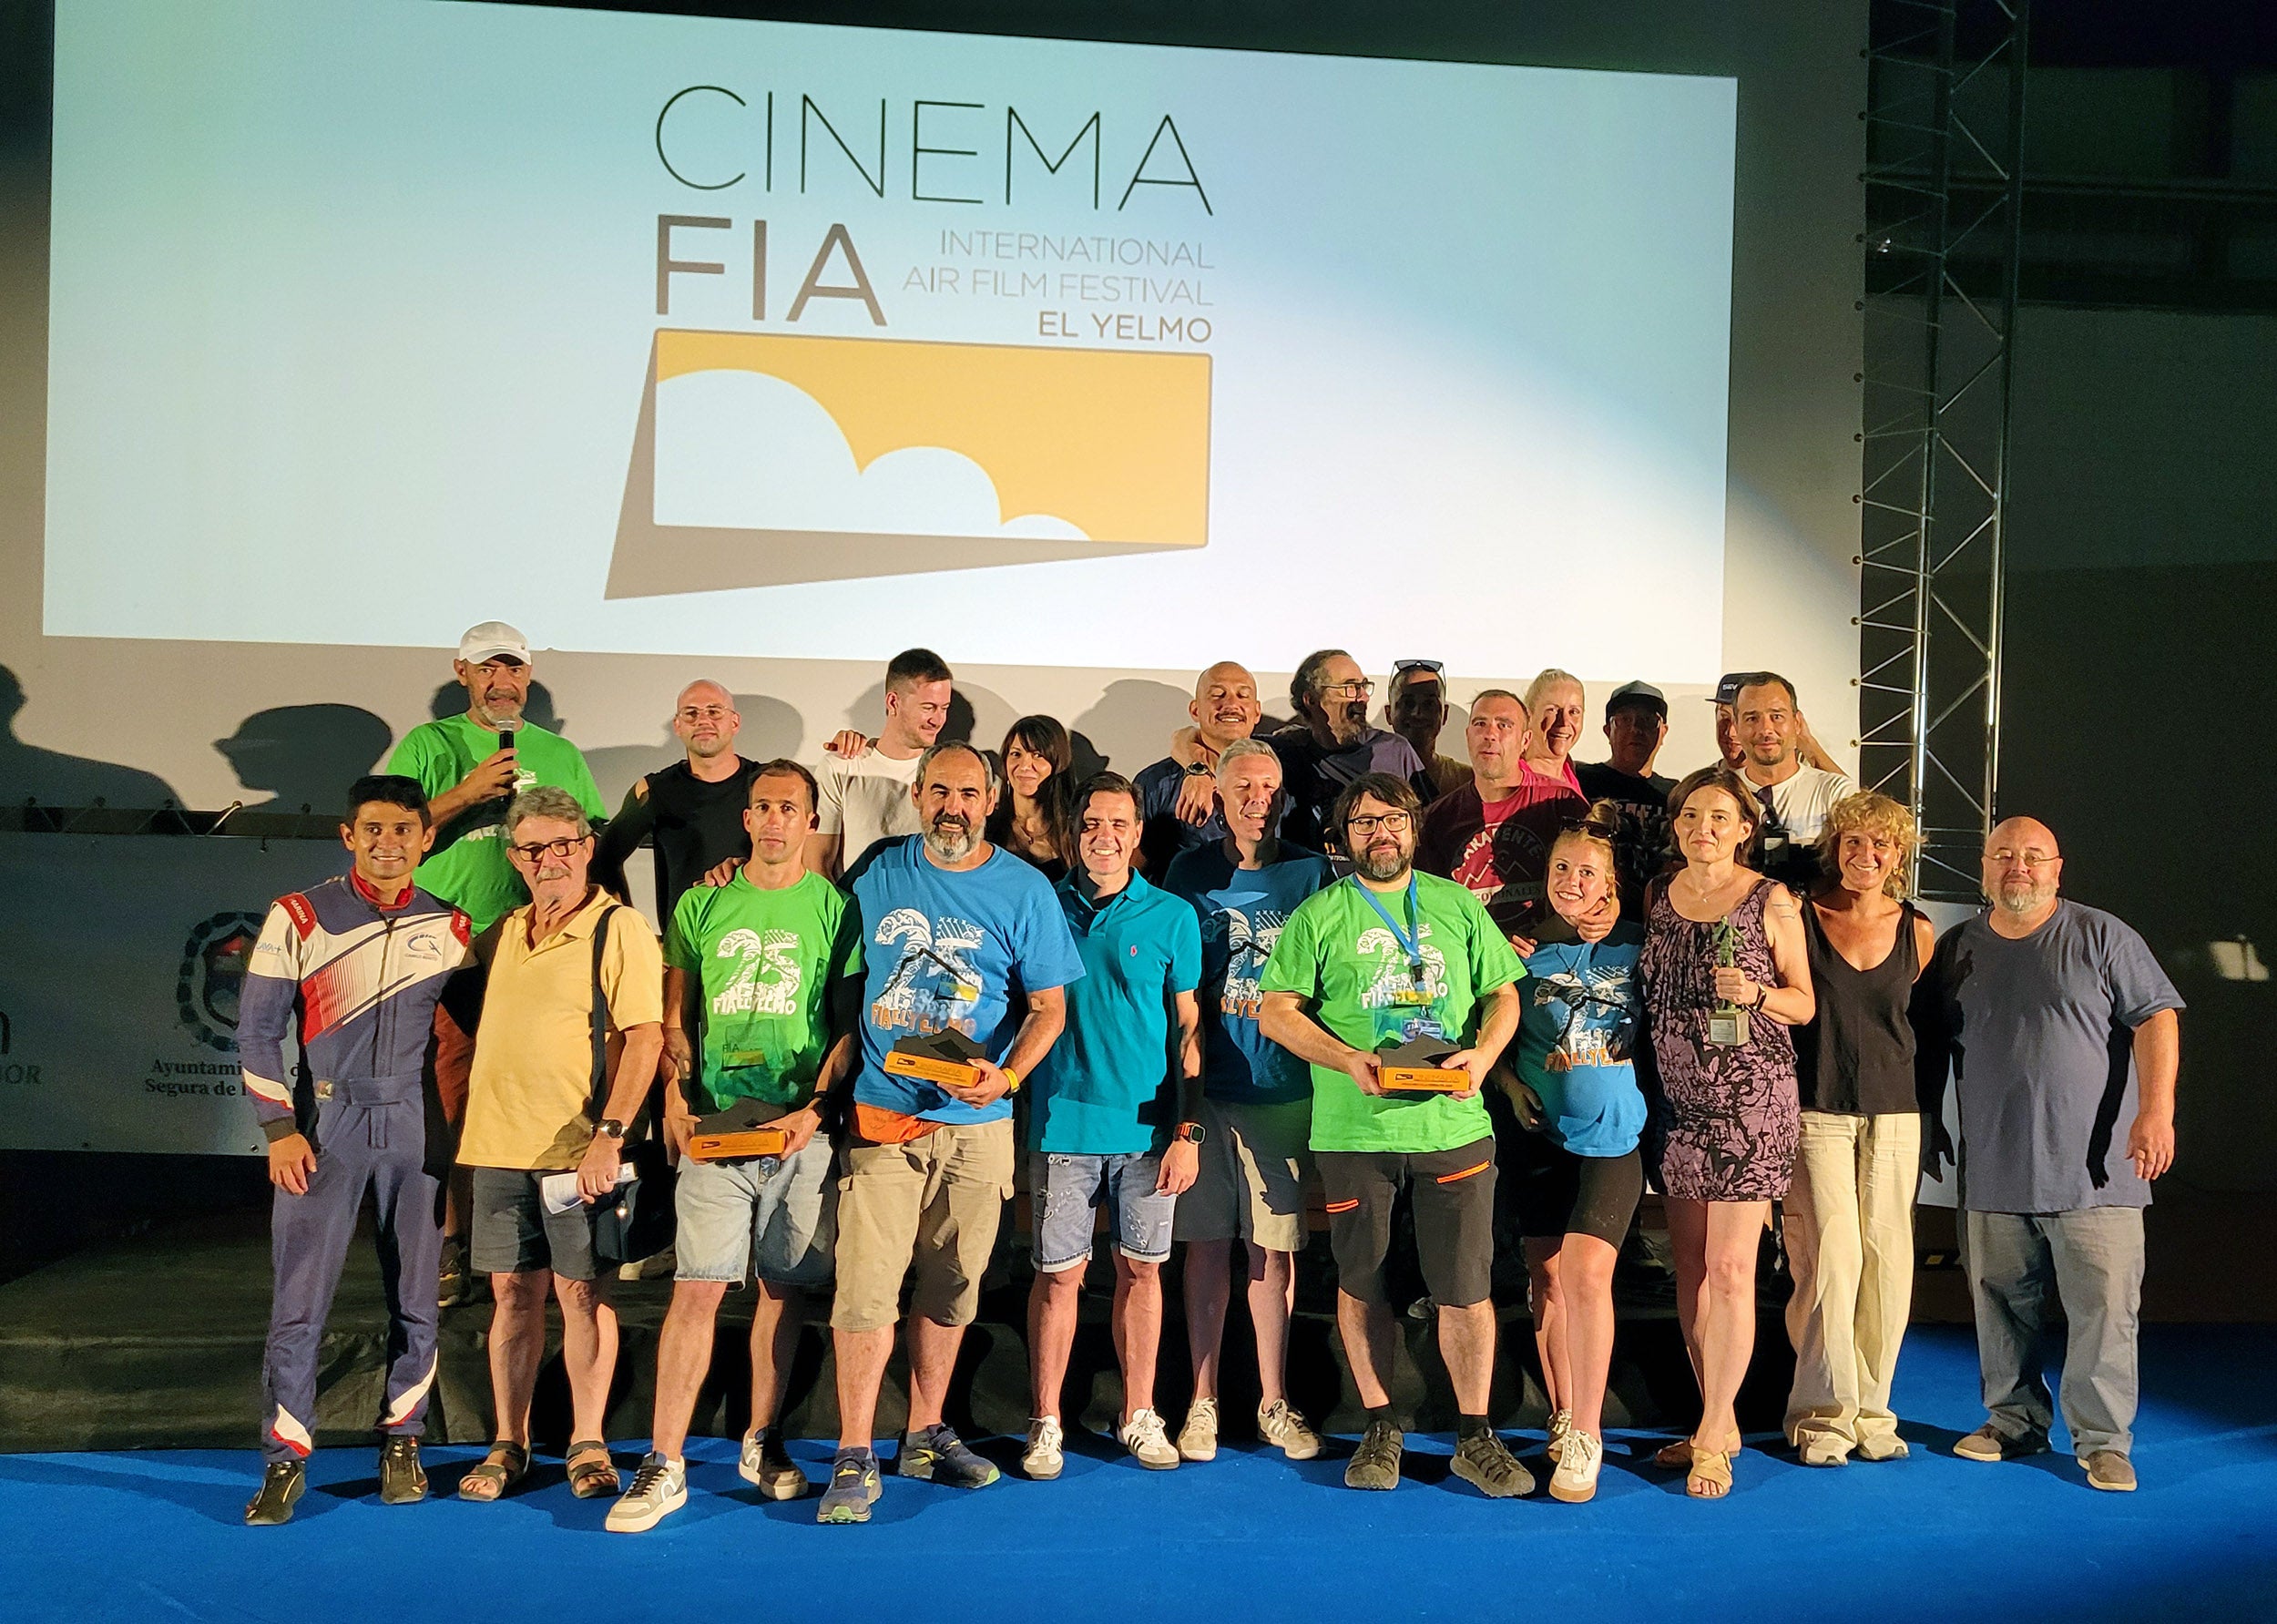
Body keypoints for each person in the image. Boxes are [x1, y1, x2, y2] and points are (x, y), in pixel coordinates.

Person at [820, 741, 1084, 1524]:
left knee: (952, 1285)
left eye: (969, 793)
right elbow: (835, 977)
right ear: (916, 793)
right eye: (939, 791)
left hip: (977, 1127)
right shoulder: (877, 871)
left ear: (992, 797)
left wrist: (1004, 1078)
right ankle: (854, 1449)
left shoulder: (1025, 889)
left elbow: (1048, 1009)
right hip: (882, 1120)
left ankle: (925, 1432)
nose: (953, 807)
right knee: (867, 1290)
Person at [606, 761, 863, 1533]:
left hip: (796, 1130)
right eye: (763, 806)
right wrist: (675, 1102)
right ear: (745, 818)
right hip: (716, 1128)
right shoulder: (700, 901)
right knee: (697, 1287)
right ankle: (666, 1463)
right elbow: (671, 1018)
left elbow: (846, 1027)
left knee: (783, 1288)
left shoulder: (835, 907)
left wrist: (815, 1114)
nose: (776, 819)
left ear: (809, 819)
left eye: (792, 807)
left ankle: (763, 1438)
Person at [1258, 772, 1531, 1497]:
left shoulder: (1455, 905)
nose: (1380, 832)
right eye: (1363, 822)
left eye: (1393, 819)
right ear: (1342, 838)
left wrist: (1486, 1054)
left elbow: (1504, 992)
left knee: (1466, 1289)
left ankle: (1475, 1435)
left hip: (1453, 1125)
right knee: (1362, 1282)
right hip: (1355, 1130)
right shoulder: (1320, 914)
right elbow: (1276, 1011)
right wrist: (1348, 1059)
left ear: (1414, 827)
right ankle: (1380, 1423)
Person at [1917, 816, 2182, 1493]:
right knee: (2000, 1304)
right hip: (1995, 1170)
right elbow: (1927, 1042)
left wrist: (2157, 1111)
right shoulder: (1956, 949)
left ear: (2057, 868)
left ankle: (2102, 1442)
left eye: (2033, 856)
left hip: (2096, 1174)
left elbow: (2157, 1017)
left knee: (2104, 1310)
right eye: (2004, 855)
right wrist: (1926, 1118)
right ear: (1984, 867)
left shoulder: (2102, 936)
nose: (2018, 867)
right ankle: (2013, 1421)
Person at [239, 776, 472, 1526]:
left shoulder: (453, 926)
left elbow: (480, 1035)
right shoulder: (298, 914)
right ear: (348, 836)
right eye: (372, 829)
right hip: (324, 1125)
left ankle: (402, 1441)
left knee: (417, 1299)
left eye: (403, 829)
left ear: (426, 838)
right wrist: (279, 1128)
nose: (387, 842)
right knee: (299, 1304)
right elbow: (254, 1031)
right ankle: (284, 1459)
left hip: (414, 1124)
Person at [452, 788, 665, 1506]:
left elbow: (645, 1037)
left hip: (577, 1150)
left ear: (587, 847)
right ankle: (510, 1440)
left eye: (566, 844)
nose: (552, 860)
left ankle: (588, 1439)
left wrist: (610, 1135)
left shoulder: (619, 927)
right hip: (497, 1145)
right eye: (534, 848)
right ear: (515, 858)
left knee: (582, 1293)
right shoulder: (505, 930)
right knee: (512, 1295)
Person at [1636, 766, 1814, 1499]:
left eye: (1718, 816)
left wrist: (1759, 993)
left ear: (1746, 828)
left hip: (1753, 1101)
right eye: (1689, 816)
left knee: (1735, 1269)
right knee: (1692, 1271)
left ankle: (1714, 1431)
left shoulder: (1771, 899)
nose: (1701, 827)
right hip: (1677, 1107)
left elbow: (1803, 1002)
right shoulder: (1657, 896)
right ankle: (1719, 1416)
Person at [1020, 773, 1204, 1478]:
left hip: (1150, 1131)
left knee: (1142, 1272)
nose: (1105, 836)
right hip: (1063, 1125)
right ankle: (1046, 1421)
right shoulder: (1041, 904)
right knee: (1059, 1278)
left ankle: (1137, 1411)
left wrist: (1188, 1131)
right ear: (1075, 831)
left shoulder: (1171, 915)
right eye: (1092, 823)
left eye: (1119, 823)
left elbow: (1189, 1027)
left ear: (1137, 832)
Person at [1161, 740, 1333, 1465]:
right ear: (1219, 794)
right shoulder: (1188, 870)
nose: (1257, 797)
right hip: (1207, 1092)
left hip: (1282, 1092)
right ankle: (1202, 1403)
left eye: (1269, 785)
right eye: (1243, 786)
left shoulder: (1311, 870)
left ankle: (1272, 1400)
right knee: (1204, 1250)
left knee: (1274, 1256)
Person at [1782, 792, 1937, 1468]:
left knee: (1888, 1262)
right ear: (1834, 846)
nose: (1865, 855)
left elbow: (1928, 1034)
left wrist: (1935, 1122)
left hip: (1897, 1112)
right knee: (1833, 1257)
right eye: (1852, 842)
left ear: (1898, 855)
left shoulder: (1918, 931)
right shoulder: (1801, 915)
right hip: (1815, 1107)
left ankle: (1874, 1411)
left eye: (1880, 845)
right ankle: (1821, 1414)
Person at [1501, 809, 1648, 1505]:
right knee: (1548, 1277)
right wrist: (1506, 1082)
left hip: (1613, 1140)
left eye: (1588, 871)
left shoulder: (1639, 948)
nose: (1572, 880)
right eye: (1562, 867)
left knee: (1589, 1275)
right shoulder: (1520, 950)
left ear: (1613, 883)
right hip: (1538, 1139)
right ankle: (1561, 1412)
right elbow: (1487, 1036)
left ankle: (1588, 1432)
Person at [386, 622, 605, 934]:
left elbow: (593, 842)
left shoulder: (561, 753)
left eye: (514, 670)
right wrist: (467, 793)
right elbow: (390, 834)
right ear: (462, 672)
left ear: (528, 673)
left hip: (539, 929)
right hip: (437, 929)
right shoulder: (426, 743)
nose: (502, 684)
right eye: (486, 670)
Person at [1416, 675, 1585, 943]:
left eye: (1504, 725)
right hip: (1473, 962)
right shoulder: (1439, 818)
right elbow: (1429, 909)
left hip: (1547, 956)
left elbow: (1597, 879)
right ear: (1468, 735)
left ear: (1525, 740)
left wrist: (1609, 908)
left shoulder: (1561, 802)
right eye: (1480, 724)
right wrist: (1490, 946)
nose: (1490, 734)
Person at [593, 680, 761, 923]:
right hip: (684, 948)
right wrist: (630, 928)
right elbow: (603, 861)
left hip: (756, 936)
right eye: (691, 714)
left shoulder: (766, 784)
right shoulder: (654, 791)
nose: (703, 721)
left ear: (734, 722)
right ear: (678, 725)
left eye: (714, 711)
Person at [808, 648, 955, 880]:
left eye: (944, 708)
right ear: (893, 702)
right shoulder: (841, 766)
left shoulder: (947, 774)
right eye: (928, 707)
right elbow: (818, 863)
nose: (937, 720)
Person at [1267, 649, 1431, 853]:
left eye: (1363, 686)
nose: (1363, 697)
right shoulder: (1284, 752)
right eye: (1350, 687)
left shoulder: (1393, 751)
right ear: (1311, 699)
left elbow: (1429, 827)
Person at [1133, 660, 1263, 873]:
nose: (1231, 704)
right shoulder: (1157, 783)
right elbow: (1134, 867)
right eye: (1218, 695)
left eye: (1242, 695)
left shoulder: (1281, 775)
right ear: (1195, 710)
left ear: (1257, 712)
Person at [1731, 673, 1856, 890]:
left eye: (1777, 716)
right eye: (1752, 718)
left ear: (1797, 722)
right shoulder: (1719, 791)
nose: (1765, 730)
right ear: (1736, 726)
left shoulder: (1834, 792)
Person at [1574, 680, 1677, 921]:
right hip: (1588, 915)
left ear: (1662, 731)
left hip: (1654, 920)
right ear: (1608, 730)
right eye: (1624, 720)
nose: (1635, 729)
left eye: (1647, 721)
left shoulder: (1676, 795)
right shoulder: (1581, 781)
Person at [984, 713, 1073, 879]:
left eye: (1037, 755)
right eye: (1016, 754)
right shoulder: (986, 826)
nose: (1024, 766)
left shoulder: (1075, 830)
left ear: (1058, 763)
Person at [1387, 659, 1472, 799]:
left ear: (1445, 714)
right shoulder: (1369, 774)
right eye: (1408, 703)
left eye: (1429, 704)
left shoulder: (1466, 780)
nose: (1417, 713)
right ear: (1388, 713)